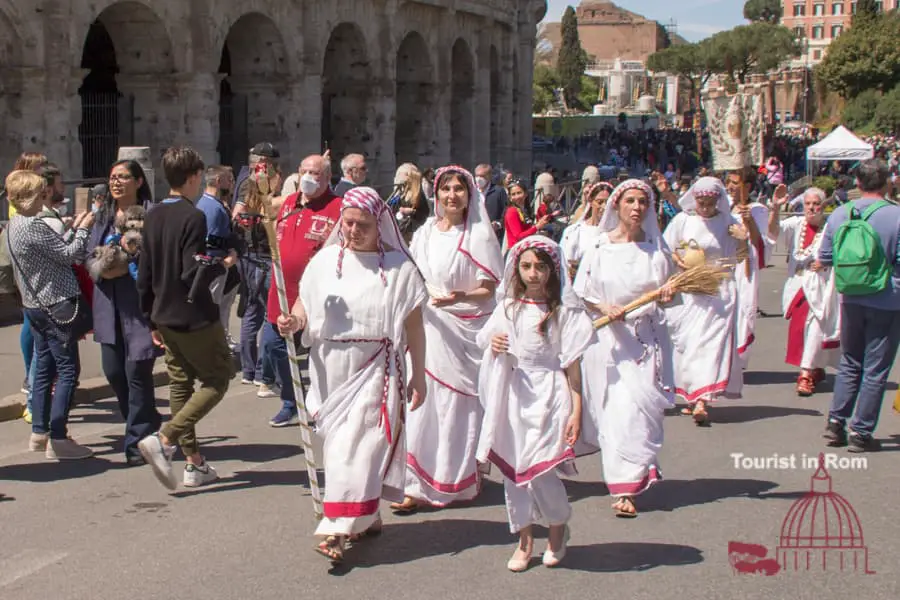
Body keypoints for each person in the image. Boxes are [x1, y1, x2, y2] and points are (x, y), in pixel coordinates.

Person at [277, 186, 427, 564]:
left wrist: (419, 375)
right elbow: (303, 302)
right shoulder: (325, 261)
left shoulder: (399, 268)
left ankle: (335, 528)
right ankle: (368, 511)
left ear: (380, 225)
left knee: (355, 447)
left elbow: (414, 327)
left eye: (362, 224)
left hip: (377, 366)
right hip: (330, 367)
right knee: (338, 445)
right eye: (347, 223)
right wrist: (293, 320)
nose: (353, 230)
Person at [476, 236, 593, 572]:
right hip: (514, 395)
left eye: (540, 266)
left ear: (552, 270)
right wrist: (495, 344)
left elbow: (572, 366)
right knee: (515, 474)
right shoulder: (509, 308)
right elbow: (485, 338)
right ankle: (524, 540)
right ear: (517, 269)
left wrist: (577, 411)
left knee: (541, 471)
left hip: (550, 395)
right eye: (526, 266)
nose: (533, 273)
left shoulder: (564, 313)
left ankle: (557, 527)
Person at [398, 165, 503, 512]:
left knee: (456, 406)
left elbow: (488, 289)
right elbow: (411, 273)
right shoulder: (426, 231)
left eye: (459, 189)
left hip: (464, 330)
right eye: (446, 189)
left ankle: (457, 478)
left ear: (469, 194)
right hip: (428, 327)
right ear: (437, 194)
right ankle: (414, 484)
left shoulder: (478, 235)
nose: (452, 195)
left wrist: (457, 297)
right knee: (422, 402)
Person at [136, 146, 236, 489]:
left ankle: (194, 462)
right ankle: (165, 439)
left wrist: (149, 317)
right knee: (219, 376)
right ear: (193, 178)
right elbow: (191, 271)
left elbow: (145, 272)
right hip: (191, 314)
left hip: (162, 312)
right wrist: (221, 265)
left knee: (180, 382)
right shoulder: (193, 217)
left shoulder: (153, 215)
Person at [573, 179, 675, 518]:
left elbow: (670, 295)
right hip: (609, 343)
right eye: (630, 200)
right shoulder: (599, 248)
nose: (636, 207)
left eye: (643, 202)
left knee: (640, 412)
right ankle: (624, 484)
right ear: (617, 205)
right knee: (615, 413)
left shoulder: (656, 252)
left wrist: (668, 296)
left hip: (645, 341)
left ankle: (635, 476)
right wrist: (604, 308)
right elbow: (581, 291)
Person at [6, 170, 95, 459]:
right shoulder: (33, 225)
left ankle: (39, 431)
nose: (46, 195)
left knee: (44, 368)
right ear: (32, 196)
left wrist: (70, 228)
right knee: (68, 371)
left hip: (35, 306)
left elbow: (51, 251)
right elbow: (70, 254)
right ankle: (59, 438)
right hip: (57, 304)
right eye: (41, 192)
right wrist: (84, 229)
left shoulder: (12, 225)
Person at [817, 159, 900, 452]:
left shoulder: (841, 213)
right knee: (876, 367)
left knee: (851, 361)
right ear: (887, 182)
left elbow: (825, 256)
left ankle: (836, 421)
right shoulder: (896, 215)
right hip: (888, 298)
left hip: (850, 296)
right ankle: (861, 431)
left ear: (858, 183)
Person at [87, 159, 161, 466]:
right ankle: (147, 422)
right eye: (113, 177)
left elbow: (160, 256)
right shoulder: (102, 217)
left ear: (139, 181)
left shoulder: (152, 214)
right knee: (114, 373)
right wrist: (105, 268)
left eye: (124, 177)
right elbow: (88, 254)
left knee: (137, 375)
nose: (116, 182)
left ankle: (137, 443)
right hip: (108, 306)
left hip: (140, 308)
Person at [261, 154, 342, 426]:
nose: (308, 176)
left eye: (315, 173)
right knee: (274, 345)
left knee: (320, 355)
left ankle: (324, 404)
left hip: (318, 297)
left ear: (328, 177)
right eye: (304, 170)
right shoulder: (289, 203)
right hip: (281, 292)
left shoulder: (337, 208)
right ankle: (292, 400)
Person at [663, 177, 748, 425]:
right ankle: (693, 394)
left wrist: (743, 238)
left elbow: (741, 257)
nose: (705, 207)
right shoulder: (683, 221)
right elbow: (666, 248)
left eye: (710, 202)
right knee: (689, 345)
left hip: (718, 293)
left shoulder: (727, 222)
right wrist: (679, 263)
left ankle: (702, 400)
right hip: (690, 290)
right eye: (701, 201)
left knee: (711, 345)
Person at [768, 186, 839, 396]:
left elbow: (842, 251)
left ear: (823, 206)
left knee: (816, 326)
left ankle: (805, 374)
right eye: (808, 204)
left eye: (816, 204)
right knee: (803, 330)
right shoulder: (796, 224)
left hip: (821, 287)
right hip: (798, 285)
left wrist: (827, 261)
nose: (811, 208)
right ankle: (815, 367)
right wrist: (775, 208)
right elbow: (773, 232)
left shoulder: (831, 227)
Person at [560, 181, 612, 281]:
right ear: (591, 201)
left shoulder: (615, 233)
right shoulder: (574, 232)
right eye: (600, 202)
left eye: (607, 202)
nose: (604, 207)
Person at [504, 181, 550, 252]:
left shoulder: (524, 209)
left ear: (525, 194)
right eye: (513, 194)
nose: (517, 197)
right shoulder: (512, 211)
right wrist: (537, 227)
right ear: (510, 197)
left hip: (525, 248)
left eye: (519, 193)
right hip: (516, 251)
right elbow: (518, 236)